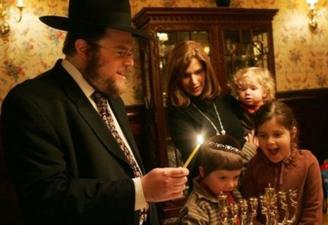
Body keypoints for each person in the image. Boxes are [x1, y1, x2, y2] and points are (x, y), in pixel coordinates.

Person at [0, 0, 188, 225]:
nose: (130, 63)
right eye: (121, 52)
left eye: (130, 52)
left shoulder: (111, 98)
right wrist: (140, 191)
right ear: (84, 49)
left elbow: (127, 169)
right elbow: (46, 198)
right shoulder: (32, 102)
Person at [166, 40, 256, 173]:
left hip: (246, 180)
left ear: (207, 71)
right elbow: (200, 161)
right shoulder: (177, 113)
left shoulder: (226, 100)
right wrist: (248, 153)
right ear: (176, 78)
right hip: (208, 189)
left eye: (198, 72)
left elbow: (255, 132)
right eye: (186, 75)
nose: (194, 81)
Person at [240, 101, 323, 225]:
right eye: (263, 136)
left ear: (292, 133)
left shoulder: (308, 163)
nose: (270, 142)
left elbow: (313, 212)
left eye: (277, 134)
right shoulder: (254, 166)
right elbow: (249, 212)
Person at [179, 135, 245, 225]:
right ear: (202, 172)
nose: (231, 184)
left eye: (236, 177)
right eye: (223, 178)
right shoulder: (196, 209)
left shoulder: (233, 193)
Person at [231, 66, 275, 133]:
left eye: (253, 88)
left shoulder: (271, 110)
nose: (247, 92)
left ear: (265, 92)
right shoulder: (236, 111)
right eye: (243, 89)